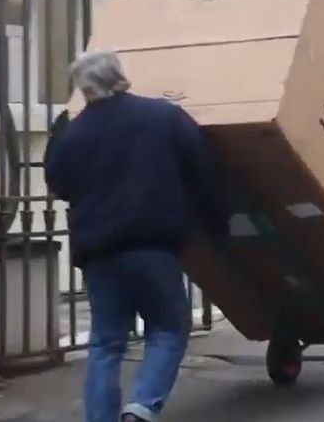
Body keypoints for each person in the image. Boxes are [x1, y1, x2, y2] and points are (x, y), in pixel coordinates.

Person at [44, 50, 232, 422]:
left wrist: (58, 134)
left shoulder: (75, 132)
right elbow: (204, 169)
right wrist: (218, 223)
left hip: (98, 252)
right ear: (120, 77)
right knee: (167, 329)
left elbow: (59, 184)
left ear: (83, 88)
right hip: (152, 245)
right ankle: (142, 407)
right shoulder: (163, 117)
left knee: (105, 345)